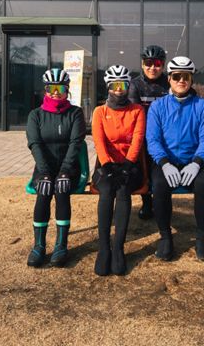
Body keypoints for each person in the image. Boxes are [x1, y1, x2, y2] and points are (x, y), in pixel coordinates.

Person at [146, 56, 204, 262]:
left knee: (203, 185)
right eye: (176, 76)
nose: (181, 81)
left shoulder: (202, 106)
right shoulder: (158, 107)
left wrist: (197, 163)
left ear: (191, 79)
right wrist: (164, 163)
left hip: (192, 161)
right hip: (165, 162)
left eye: (186, 76)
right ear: (169, 79)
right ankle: (165, 237)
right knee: (159, 185)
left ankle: (202, 238)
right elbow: (153, 139)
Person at [26, 68, 86, 268]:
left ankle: (61, 244)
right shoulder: (35, 115)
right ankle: (39, 245)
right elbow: (35, 144)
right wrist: (44, 173)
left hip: (69, 168)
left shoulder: (75, 113)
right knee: (43, 193)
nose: (55, 92)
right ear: (45, 90)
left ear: (67, 89)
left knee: (62, 189)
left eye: (60, 88)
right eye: (51, 88)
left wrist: (65, 171)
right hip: (44, 168)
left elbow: (76, 143)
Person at [92, 65, 145, 276]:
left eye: (123, 84)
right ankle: (104, 248)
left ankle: (118, 249)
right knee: (106, 191)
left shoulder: (137, 110)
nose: (119, 89)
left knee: (123, 190)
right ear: (108, 87)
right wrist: (107, 165)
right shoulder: (99, 112)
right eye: (114, 85)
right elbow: (99, 141)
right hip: (106, 165)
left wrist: (127, 165)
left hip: (130, 166)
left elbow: (138, 139)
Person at [129, 45, 170, 220]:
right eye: (148, 63)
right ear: (142, 64)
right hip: (144, 133)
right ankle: (147, 202)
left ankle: (163, 200)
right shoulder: (135, 84)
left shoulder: (169, 83)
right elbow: (135, 113)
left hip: (166, 134)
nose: (153, 67)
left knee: (161, 169)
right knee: (144, 167)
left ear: (163, 65)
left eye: (158, 63)